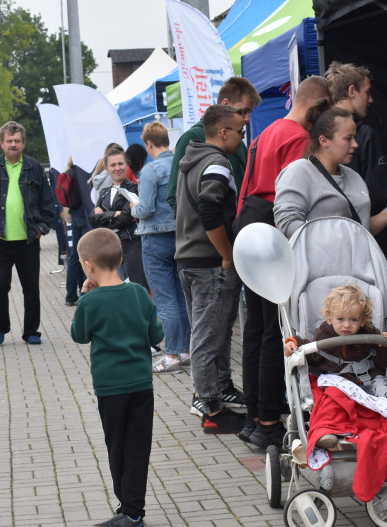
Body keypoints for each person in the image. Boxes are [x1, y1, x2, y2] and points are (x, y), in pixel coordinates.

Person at [234, 76, 330, 447]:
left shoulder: (264, 132)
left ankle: (255, 417)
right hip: (274, 231)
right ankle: (269, 423)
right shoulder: (297, 139)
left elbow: (245, 188)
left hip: (251, 230)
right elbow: (296, 194)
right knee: (277, 330)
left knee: (256, 329)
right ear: (317, 107)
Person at [284, 285, 387, 504]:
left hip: (368, 381)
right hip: (338, 382)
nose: (347, 325)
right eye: (340, 319)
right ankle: (326, 433)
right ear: (329, 319)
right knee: (330, 400)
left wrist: (384, 343)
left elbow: (382, 363)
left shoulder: (369, 334)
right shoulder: (324, 335)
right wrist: (292, 344)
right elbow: (306, 350)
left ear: (363, 320)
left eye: (353, 320)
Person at [71, 228, 163, 527]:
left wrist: (85, 295)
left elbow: (80, 335)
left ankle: (130, 512)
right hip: (141, 384)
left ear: (88, 265)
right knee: (138, 446)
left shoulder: (90, 301)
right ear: (122, 259)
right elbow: (156, 336)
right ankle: (131, 507)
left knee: (117, 446)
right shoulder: (138, 293)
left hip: (110, 388)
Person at [175, 104, 248, 432]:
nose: (242, 136)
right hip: (210, 263)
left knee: (207, 331)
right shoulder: (217, 163)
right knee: (207, 336)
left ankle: (218, 392)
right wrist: (228, 255)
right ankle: (211, 410)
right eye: (239, 131)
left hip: (189, 260)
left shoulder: (191, 158)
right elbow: (209, 211)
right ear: (223, 132)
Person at [274, 103, 387, 241]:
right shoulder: (299, 172)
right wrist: (336, 241)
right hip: (320, 265)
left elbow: (361, 230)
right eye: (348, 138)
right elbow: (287, 224)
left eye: (354, 137)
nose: (355, 144)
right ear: (324, 141)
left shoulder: (354, 177)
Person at [0, 121, 57, 346]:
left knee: (31, 288)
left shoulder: (34, 167)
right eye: (9, 141)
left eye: (17, 141)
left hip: (28, 239)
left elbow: (48, 203)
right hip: (0, 239)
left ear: (23, 143)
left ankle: (31, 332)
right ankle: (0, 326)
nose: (13, 145)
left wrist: (42, 229)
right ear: (1, 143)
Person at [131, 121, 190, 374]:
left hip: (154, 239)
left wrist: (132, 207)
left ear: (148, 144)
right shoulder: (181, 164)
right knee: (181, 298)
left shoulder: (150, 170)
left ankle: (172, 354)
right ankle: (185, 350)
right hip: (180, 236)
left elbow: (145, 209)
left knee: (165, 300)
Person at [326, 61, 387, 255]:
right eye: (367, 92)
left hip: (333, 243)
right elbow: (378, 193)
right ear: (352, 91)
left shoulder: (318, 132)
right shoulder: (366, 135)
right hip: (368, 242)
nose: (371, 99)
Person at [167, 76, 261, 214]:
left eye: (249, 112)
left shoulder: (239, 144)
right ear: (226, 104)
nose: (247, 118)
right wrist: (207, 230)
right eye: (243, 111)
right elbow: (174, 196)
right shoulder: (192, 138)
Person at [90, 147, 148, 291]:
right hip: (110, 247)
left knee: (136, 288)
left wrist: (104, 216)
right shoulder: (104, 192)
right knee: (117, 288)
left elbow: (126, 217)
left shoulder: (134, 188)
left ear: (127, 165)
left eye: (120, 164)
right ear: (107, 168)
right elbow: (93, 219)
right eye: (113, 165)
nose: (117, 168)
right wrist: (114, 213)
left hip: (131, 245)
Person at [63, 159, 93, 307]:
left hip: (74, 216)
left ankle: (70, 295)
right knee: (86, 255)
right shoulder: (83, 170)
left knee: (75, 256)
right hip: (84, 216)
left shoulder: (69, 171)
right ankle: (84, 292)